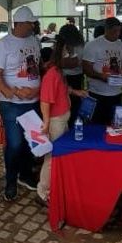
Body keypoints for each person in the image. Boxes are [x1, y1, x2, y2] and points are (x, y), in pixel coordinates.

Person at [0, 5, 42, 201]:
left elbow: (37, 69)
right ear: (19, 23)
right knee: (14, 144)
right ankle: (11, 181)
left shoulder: (34, 41)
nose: (33, 26)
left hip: (33, 101)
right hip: (11, 104)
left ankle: (25, 175)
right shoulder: (2, 45)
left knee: (31, 141)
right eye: (30, 23)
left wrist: (35, 90)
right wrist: (13, 92)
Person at [37, 34, 87, 205]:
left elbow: (63, 89)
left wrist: (75, 92)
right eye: (69, 52)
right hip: (55, 121)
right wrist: (46, 123)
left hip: (62, 118)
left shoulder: (58, 71)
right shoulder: (52, 74)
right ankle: (43, 192)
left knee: (58, 156)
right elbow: (45, 100)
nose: (72, 57)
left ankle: (54, 187)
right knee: (51, 158)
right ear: (62, 52)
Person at [82, 17, 122, 125]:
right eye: (114, 31)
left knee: (114, 124)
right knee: (97, 124)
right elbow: (86, 68)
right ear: (106, 29)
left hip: (116, 93)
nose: (117, 34)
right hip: (97, 93)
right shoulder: (93, 45)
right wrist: (100, 76)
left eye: (119, 31)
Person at [58, 23, 85, 125]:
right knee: (76, 101)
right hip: (78, 75)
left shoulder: (67, 47)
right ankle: (75, 122)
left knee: (67, 101)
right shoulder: (82, 45)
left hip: (66, 76)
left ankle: (69, 121)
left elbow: (63, 63)